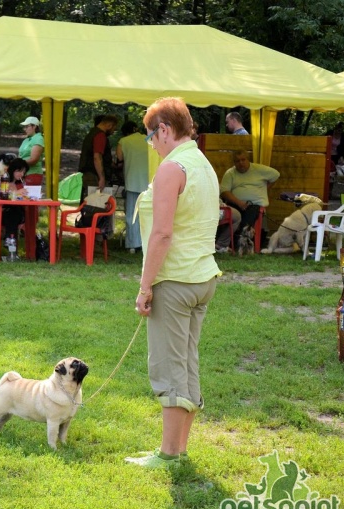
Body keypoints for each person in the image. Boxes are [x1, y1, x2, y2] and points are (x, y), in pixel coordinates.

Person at [126, 97, 221, 468]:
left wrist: (145, 286)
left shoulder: (172, 168)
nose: (151, 144)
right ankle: (178, 451)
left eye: (151, 136)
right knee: (187, 363)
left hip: (177, 280)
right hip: (202, 277)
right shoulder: (202, 162)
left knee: (168, 367)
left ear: (164, 129)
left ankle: (168, 454)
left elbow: (162, 234)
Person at [215, 150, 279, 252]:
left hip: (254, 204)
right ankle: (225, 243)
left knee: (250, 213)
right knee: (230, 213)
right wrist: (239, 203)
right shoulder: (230, 173)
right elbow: (224, 192)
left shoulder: (259, 169)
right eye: (237, 161)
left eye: (243, 160)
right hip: (235, 202)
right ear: (234, 163)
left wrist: (264, 189)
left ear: (248, 159)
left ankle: (241, 243)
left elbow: (276, 175)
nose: (241, 163)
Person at [116, 121, 149, 252]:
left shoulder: (123, 141)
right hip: (150, 182)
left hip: (132, 181)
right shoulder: (149, 139)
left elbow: (119, 160)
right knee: (147, 214)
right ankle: (146, 243)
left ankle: (132, 245)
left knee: (131, 214)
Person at [78, 114, 118, 202]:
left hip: (89, 174)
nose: (112, 132)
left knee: (90, 204)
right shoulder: (100, 136)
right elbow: (97, 157)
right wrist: (102, 178)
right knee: (96, 205)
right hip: (94, 176)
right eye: (113, 129)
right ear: (109, 125)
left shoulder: (91, 134)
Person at [0, 157, 29, 238]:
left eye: (24, 172)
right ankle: (11, 240)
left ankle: (10, 240)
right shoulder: (1, 179)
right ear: (13, 170)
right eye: (19, 171)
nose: (22, 174)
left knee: (14, 213)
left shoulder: (21, 184)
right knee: (12, 214)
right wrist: (15, 193)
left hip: (16, 212)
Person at [18, 116, 45, 186]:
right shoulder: (26, 140)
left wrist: (18, 163)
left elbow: (34, 160)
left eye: (27, 126)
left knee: (30, 196)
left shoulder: (39, 138)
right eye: (24, 127)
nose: (24, 129)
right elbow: (20, 155)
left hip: (33, 174)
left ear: (34, 126)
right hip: (22, 174)